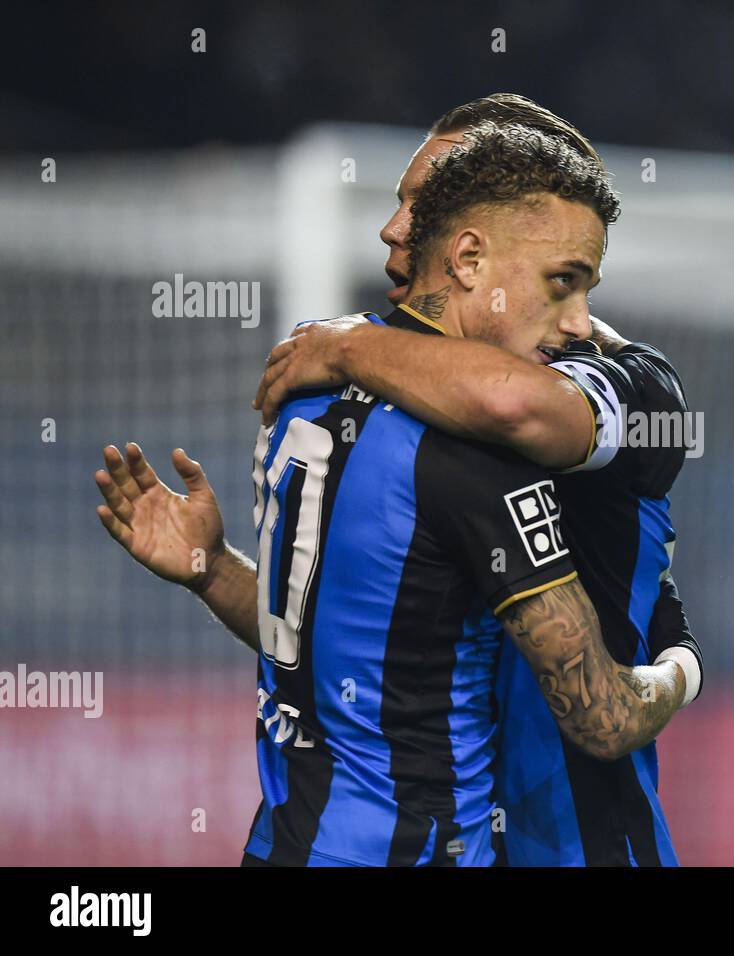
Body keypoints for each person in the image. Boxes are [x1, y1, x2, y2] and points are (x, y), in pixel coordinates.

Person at [95, 123, 689, 866]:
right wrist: (682, 670)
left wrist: (215, 568)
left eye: (420, 202)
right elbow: (601, 715)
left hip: (284, 844)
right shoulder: (479, 448)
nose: (395, 230)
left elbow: (355, 645)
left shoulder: (304, 390)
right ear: (469, 253)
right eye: (561, 281)